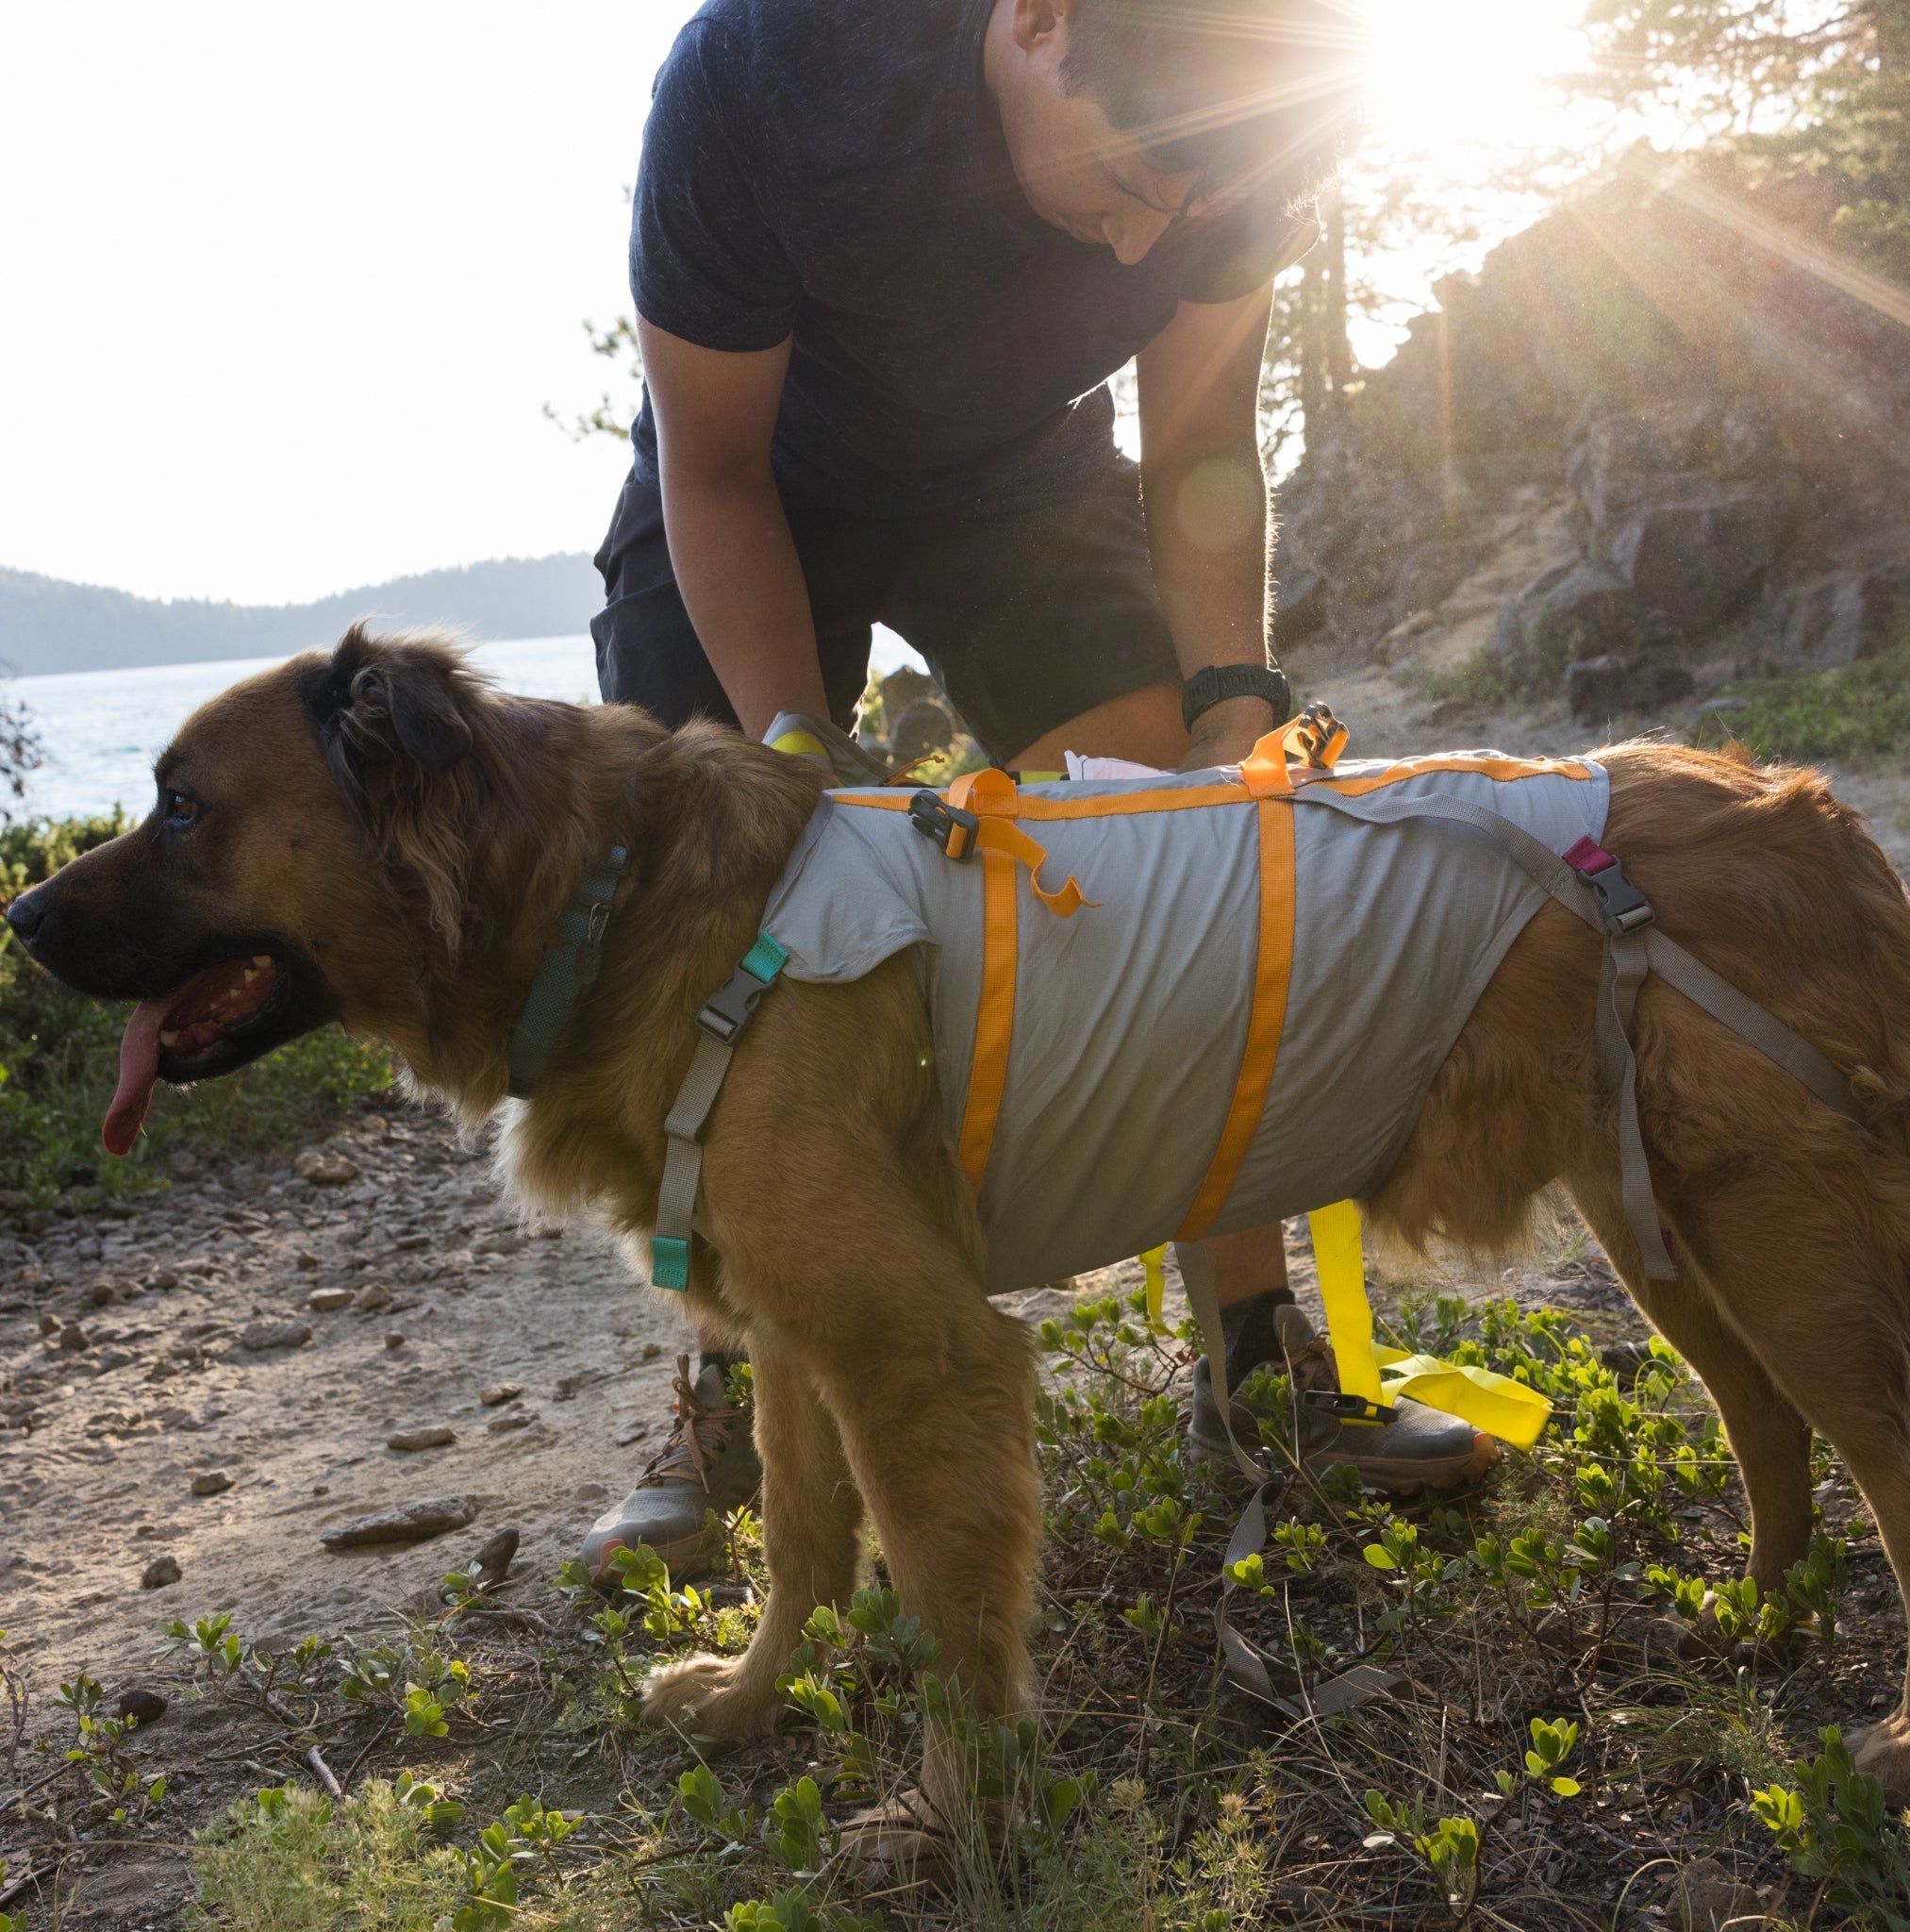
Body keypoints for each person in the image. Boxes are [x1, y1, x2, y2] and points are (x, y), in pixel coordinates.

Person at [580, 0, 1491, 1586]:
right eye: (1130, 184)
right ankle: (731, 1394)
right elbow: (710, 468)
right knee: (700, 903)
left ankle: (1259, 1361)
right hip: (762, 477)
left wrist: (1229, 719)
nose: (1148, 245)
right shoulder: (774, 74)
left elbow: (1200, 433)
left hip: (1014, 481)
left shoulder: (1241, 123)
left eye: (1186, 212)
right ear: (1039, 19)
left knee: (1185, 843)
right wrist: (799, 758)